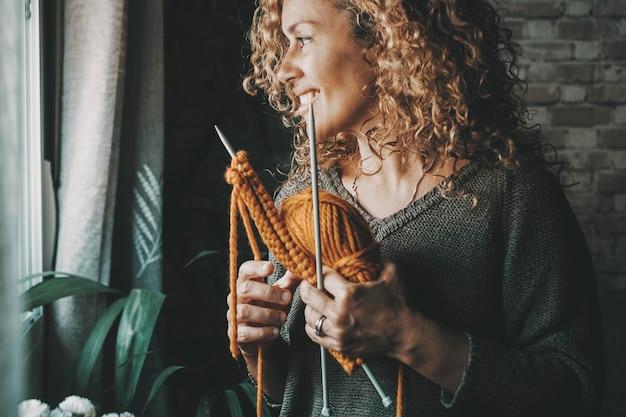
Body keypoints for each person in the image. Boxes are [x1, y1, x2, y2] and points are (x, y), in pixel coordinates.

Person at [227, 0, 606, 416]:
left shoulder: (510, 195)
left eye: (302, 38)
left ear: (383, 39)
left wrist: (408, 336)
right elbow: (293, 392)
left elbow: (575, 392)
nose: (283, 69)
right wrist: (257, 348)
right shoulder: (300, 201)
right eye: (284, 44)